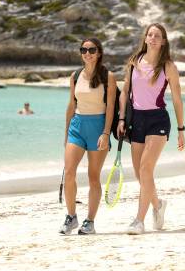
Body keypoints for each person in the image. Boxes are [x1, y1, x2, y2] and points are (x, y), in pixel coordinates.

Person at [117, 23, 185, 235]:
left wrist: (181, 129)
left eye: (158, 36)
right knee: (140, 173)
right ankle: (157, 204)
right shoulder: (134, 62)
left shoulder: (168, 67)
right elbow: (125, 91)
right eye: (150, 35)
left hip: (158, 120)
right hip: (136, 120)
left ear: (163, 41)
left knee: (146, 169)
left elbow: (176, 99)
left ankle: (139, 220)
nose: (153, 38)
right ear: (145, 39)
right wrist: (121, 118)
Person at [60, 38, 117, 235]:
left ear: (99, 52)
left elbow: (110, 107)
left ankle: (90, 221)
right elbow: (71, 105)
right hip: (77, 126)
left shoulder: (107, 76)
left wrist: (106, 132)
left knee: (93, 178)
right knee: (69, 172)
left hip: (98, 127)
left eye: (91, 49)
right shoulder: (75, 76)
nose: (87, 53)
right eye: (83, 49)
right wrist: (66, 132)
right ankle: (71, 216)